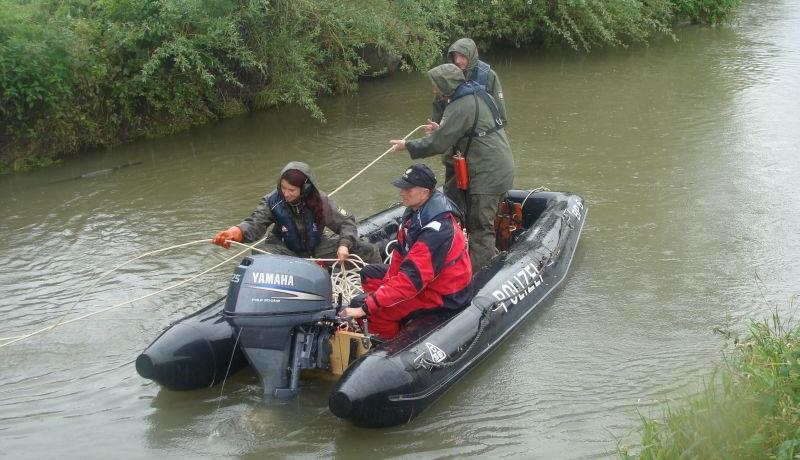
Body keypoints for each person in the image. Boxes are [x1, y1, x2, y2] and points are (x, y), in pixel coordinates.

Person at [390, 63, 515, 271]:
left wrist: (407, 145)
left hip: (488, 174)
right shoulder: (478, 95)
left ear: (446, 84)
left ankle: (476, 280)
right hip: (497, 167)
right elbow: (470, 128)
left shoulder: (460, 105)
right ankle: (472, 261)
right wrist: (445, 129)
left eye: (435, 85)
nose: (433, 90)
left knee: (480, 226)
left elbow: (438, 143)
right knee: (474, 220)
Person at [342, 164, 473, 339]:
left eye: (407, 189)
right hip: (427, 281)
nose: (401, 193)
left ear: (425, 192)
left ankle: (386, 347)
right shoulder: (414, 214)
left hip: (444, 292)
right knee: (369, 274)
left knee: (375, 312)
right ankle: (398, 320)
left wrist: (366, 307)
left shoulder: (436, 232)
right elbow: (399, 254)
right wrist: (384, 290)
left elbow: (411, 280)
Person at [212, 161, 380, 263]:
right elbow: (254, 223)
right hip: (286, 251)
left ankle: (381, 288)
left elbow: (346, 221)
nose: (286, 193)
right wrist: (235, 232)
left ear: (305, 188)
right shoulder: (272, 201)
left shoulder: (320, 200)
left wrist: (344, 245)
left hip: (317, 248)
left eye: (291, 190)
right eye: (283, 188)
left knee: (369, 250)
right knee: (259, 253)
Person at [429, 38, 506, 131]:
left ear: (471, 56)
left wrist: (500, 133)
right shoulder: (447, 75)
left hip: (480, 132)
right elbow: (439, 105)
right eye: (455, 56)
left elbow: (500, 114)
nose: (457, 60)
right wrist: (435, 130)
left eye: (462, 56)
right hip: (453, 132)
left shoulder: (488, 75)